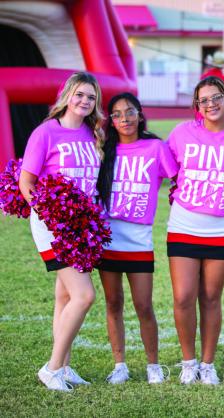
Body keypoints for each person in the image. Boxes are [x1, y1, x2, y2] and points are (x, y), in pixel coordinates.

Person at [19, 72, 104, 391]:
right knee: (84, 295)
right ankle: (52, 368)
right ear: (68, 95)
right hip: (53, 226)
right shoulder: (45, 133)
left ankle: (65, 368)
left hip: (82, 225)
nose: (85, 101)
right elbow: (26, 183)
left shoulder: (92, 133)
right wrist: (49, 215)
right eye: (80, 94)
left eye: (91, 97)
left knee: (65, 295)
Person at [166, 76, 224, 385]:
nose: (211, 104)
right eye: (204, 100)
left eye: (216, 98)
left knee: (211, 296)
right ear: (197, 106)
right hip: (184, 225)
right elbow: (164, 167)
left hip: (223, 227)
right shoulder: (180, 134)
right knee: (183, 297)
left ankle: (208, 363)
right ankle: (188, 362)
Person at [96, 93, 178, 385]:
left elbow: (179, 179)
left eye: (129, 112)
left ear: (140, 114)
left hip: (139, 238)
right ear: (111, 121)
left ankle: (153, 365)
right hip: (109, 237)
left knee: (144, 305)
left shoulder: (156, 147)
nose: (124, 119)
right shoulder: (105, 151)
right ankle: (120, 365)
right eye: (117, 115)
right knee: (113, 302)